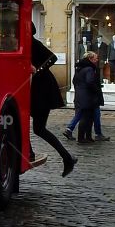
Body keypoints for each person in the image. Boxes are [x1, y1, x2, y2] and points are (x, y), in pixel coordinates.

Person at [30, 35, 77, 177]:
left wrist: (36, 70)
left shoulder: (33, 42)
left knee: (39, 128)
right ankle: (66, 158)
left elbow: (52, 58)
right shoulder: (25, 43)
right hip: (36, 90)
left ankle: (67, 158)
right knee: (33, 126)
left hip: (42, 90)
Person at [73, 51, 103, 143]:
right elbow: (90, 82)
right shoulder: (89, 69)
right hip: (87, 97)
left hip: (80, 96)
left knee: (88, 117)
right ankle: (82, 138)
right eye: (95, 58)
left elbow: (74, 81)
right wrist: (97, 89)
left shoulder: (80, 68)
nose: (97, 60)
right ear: (90, 59)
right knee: (86, 118)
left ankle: (88, 137)